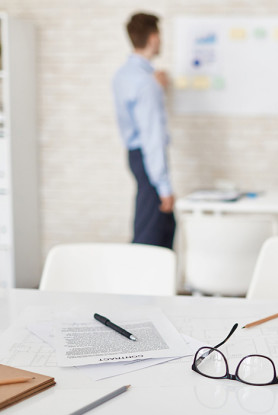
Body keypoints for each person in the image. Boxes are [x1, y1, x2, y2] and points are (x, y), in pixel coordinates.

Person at [112, 12, 175, 248]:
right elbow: (152, 136)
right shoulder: (147, 83)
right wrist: (164, 186)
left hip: (136, 156)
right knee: (153, 232)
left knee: (155, 224)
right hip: (150, 159)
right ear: (154, 38)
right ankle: (136, 284)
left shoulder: (124, 75)